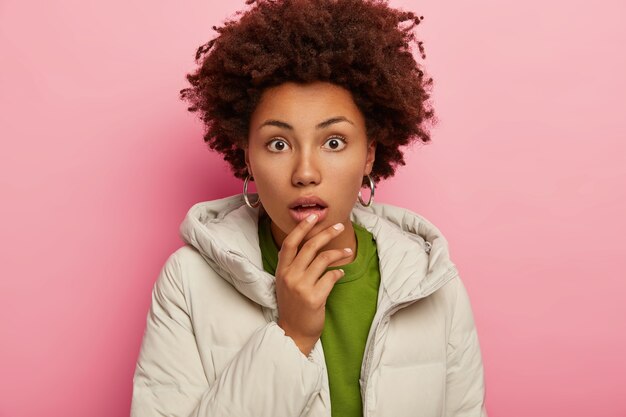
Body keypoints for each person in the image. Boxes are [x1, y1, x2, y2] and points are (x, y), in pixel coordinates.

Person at [130, 0, 488, 416]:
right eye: (278, 144)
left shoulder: (430, 279)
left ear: (369, 156)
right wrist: (292, 336)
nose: (305, 172)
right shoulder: (188, 282)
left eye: (333, 142)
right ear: (248, 156)